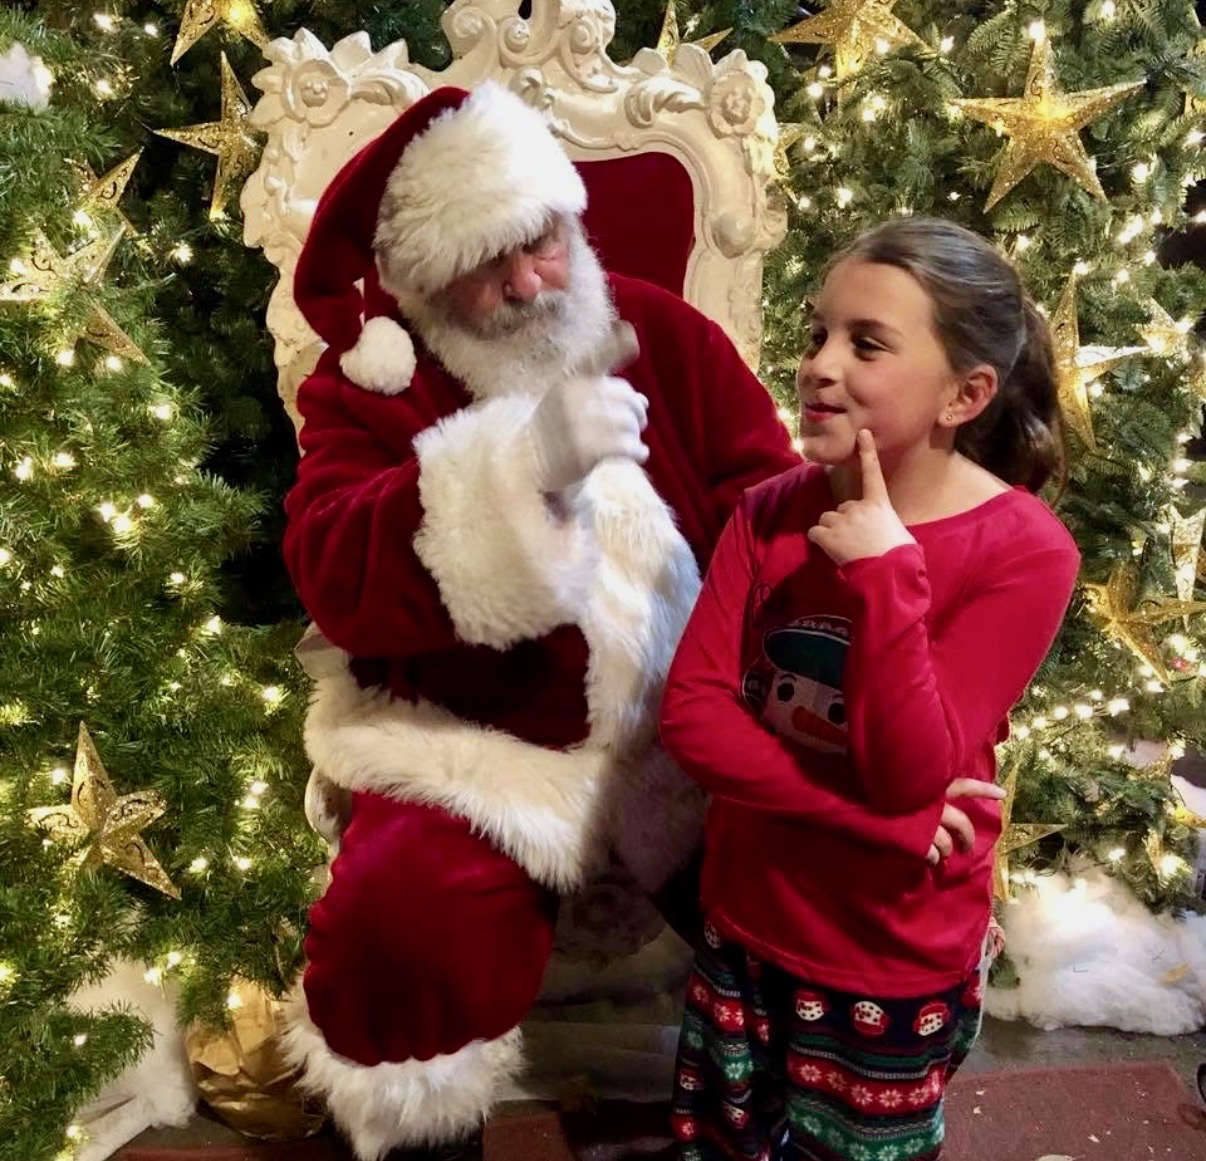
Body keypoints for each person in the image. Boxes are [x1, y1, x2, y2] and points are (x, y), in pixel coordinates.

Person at [277, 81, 801, 1161]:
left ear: (570, 220)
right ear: (422, 282)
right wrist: (517, 470)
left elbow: (775, 508)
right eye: (485, 266)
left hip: (694, 725)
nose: (527, 284)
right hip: (484, 745)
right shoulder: (368, 388)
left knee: (826, 885)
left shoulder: (663, 329)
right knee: (399, 922)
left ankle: (794, 1121)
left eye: (542, 244)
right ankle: (422, 1143)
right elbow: (331, 569)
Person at [660, 217, 1081, 1161]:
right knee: (719, 1144)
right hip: (747, 916)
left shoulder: (1026, 553)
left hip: (887, 953)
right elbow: (691, 716)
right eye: (817, 334)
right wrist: (875, 824)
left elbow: (907, 770)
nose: (818, 364)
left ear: (965, 394)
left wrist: (888, 573)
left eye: (867, 343)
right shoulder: (769, 510)